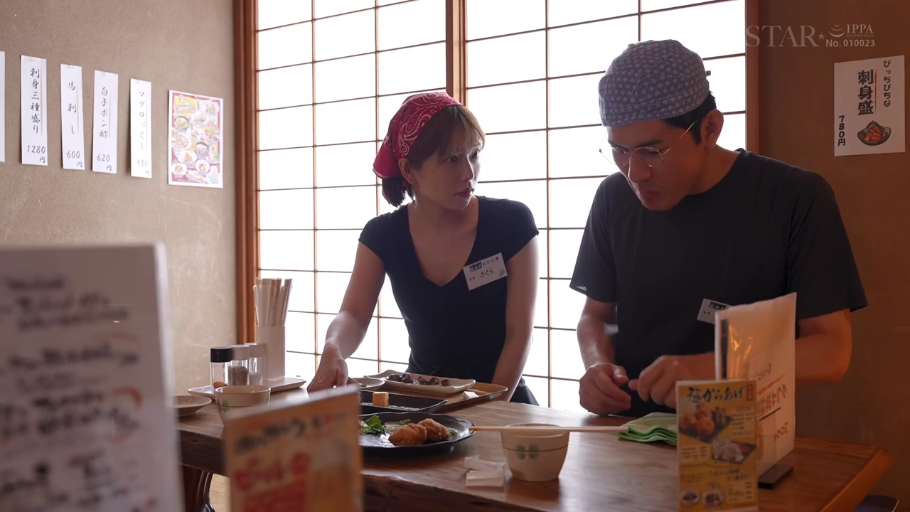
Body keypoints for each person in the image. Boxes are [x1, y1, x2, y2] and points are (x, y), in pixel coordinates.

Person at [570, 40, 866, 417]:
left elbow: (831, 351)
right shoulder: (614, 197)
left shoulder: (793, 197)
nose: (635, 173)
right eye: (619, 150)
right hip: (627, 430)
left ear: (710, 128)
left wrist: (713, 369)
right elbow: (596, 316)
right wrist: (597, 367)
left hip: (741, 437)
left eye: (652, 152)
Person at [307, 92, 540, 404]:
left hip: (504, 403)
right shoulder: (383, 234)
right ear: (408, 170)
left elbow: (519, 334)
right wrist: (333, 347)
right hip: (423, 402)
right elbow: (353, 315)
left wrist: (490, 409)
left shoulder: (512, 222)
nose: (469, 173)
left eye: (474, 155)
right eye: (452, 159)